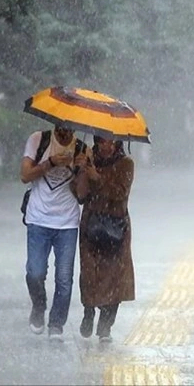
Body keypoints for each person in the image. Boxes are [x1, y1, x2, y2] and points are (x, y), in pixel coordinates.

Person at [20, 124, 87, 341]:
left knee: (64, 277)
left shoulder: (82, 149)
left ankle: (57, 323)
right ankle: (39, 305)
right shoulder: (39, 140)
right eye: (62, 128)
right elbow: (25, 175)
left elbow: (83, 195)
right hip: (38, 219)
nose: (65, 134)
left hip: (67, 223)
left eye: (70, 129)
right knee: (35, 272)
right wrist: (50, 163)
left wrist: (81, 170)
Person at [75, 135, 135, 342]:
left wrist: (96, 177)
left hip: (116, 226)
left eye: (111, 141)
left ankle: (105, 325)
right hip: (91, 225)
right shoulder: (89, 158)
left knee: (115, 278)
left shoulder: (126, 163)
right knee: (90, 273)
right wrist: (83, 170)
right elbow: (80, 195)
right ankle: (89, 311)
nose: (106, 146)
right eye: (102, 141)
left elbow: (119, 193)